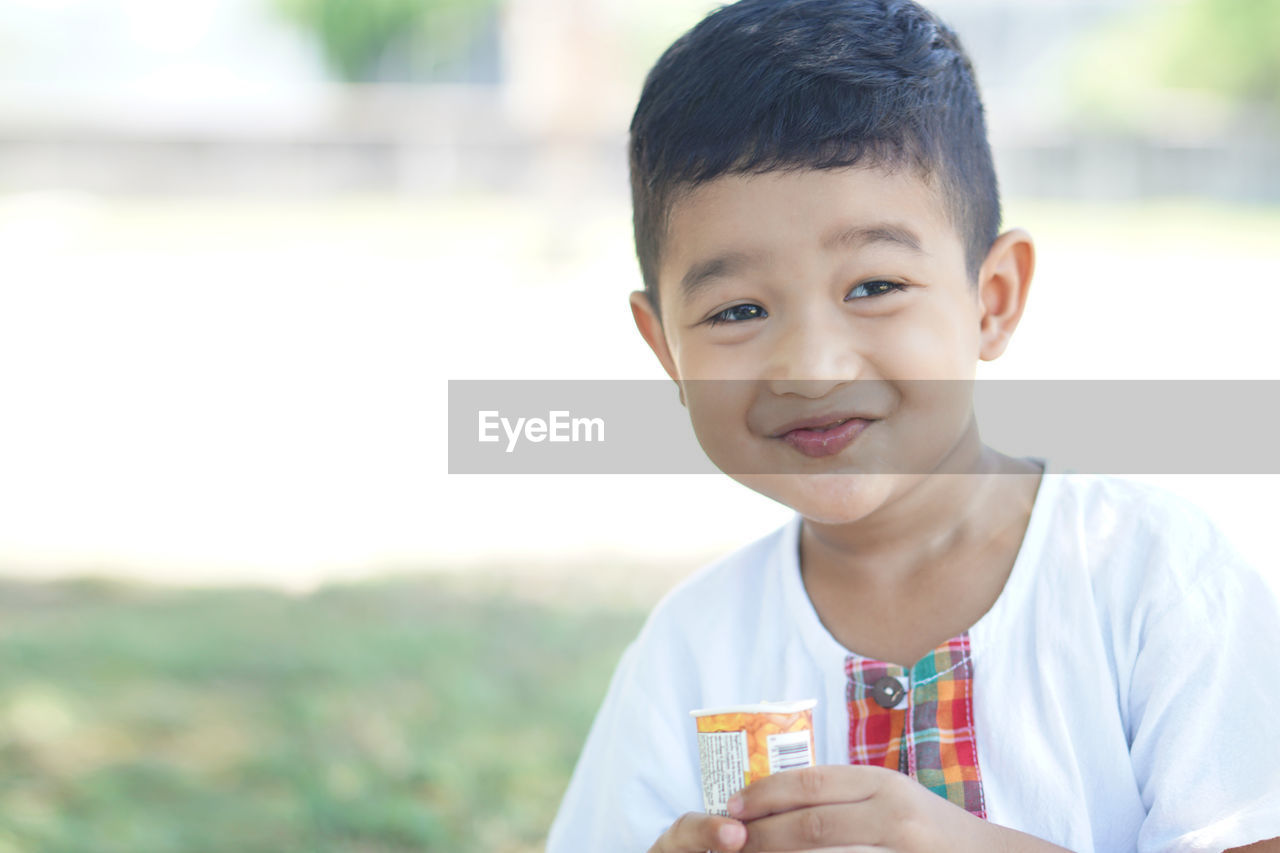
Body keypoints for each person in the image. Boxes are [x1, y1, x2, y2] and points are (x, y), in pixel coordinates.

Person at [545, 1, 1280, 851]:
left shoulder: (1150, 575)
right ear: (665, 350)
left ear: (991, 301)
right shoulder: (691, 646)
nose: (812, 367)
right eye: (739, 309)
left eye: (873, 287)